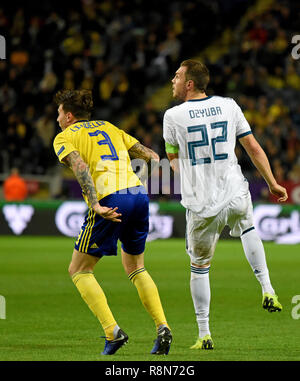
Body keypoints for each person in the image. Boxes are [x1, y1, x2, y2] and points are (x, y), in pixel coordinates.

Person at [163, 59, 288, 350]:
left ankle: (204, 333)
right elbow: (253, 147)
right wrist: (271, 182)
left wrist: (186, 173)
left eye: (178, 76)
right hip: (234, 191)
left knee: (200, 266)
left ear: (190, 84)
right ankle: (267, 288)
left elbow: (172, 157)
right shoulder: (229, 105)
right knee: (248, 227)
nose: (173, 80)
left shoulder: (173, 116)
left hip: (202, 203)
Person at [53, 89, 172, 355]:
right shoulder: (109, 127)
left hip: (109, 198)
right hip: (138, 195)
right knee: (135, 266)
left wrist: (95, 204)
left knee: (79, 270)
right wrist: (140, 183)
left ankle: (112, 332)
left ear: (69, 116)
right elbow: (151, 156)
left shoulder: (65, 136)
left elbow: (80, 166)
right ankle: (163, 327)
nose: (57, 118)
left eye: (59, 113)